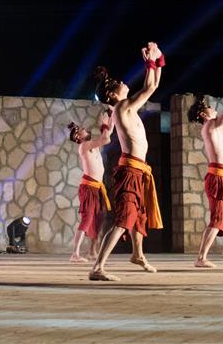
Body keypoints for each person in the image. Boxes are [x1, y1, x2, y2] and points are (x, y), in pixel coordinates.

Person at [88, 43, 165, 281]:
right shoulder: (122, 106)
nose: (123, 82)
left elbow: (154, 85)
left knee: (138, 215)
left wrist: (157, 60)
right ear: (113, 95)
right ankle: (97, 268)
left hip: (138, 169)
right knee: (123, 220)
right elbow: (150, 86)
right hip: (131, 170)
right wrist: (151, 61)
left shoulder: (126, 107)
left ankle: (137, 254)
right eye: (118, 83)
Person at [187, 80, 223, 268]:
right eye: (210, 108)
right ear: (203, 114)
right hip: (218, 178)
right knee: (218, 218)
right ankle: (201, 258)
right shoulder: (210, 126)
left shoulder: (215, 126)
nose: (213, 109)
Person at [68, 112, 114, 262]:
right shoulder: (84, 146)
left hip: (98, 188)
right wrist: (104, 125)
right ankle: (75, 254)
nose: (84, 128)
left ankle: (92, 251)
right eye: (81, 129)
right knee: (87, 219)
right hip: (88, 187)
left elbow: (108, 135)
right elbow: (106, 138)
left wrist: (112, 117)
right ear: (78, 137)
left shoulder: (93, 144)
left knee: (99, 217)